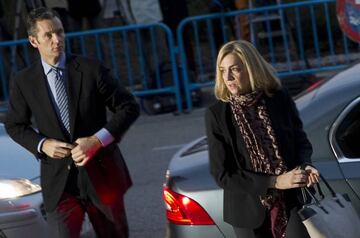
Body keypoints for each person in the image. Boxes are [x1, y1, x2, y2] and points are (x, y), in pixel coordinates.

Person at [5, 7, 139, 238]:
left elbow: (129, 107)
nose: (57, 40)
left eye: (60, 32)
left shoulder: (90, 69)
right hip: (60, 184)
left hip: (101, 176)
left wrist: (97, 140)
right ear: (33, 41)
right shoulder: (23, 81)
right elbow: (15, 125)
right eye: (48, 35)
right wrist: (42, 144)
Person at [205, 40, 320, 238]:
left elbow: (300, 141)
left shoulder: (279, 98)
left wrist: (305, 165)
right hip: (247, 211)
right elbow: (222, 174)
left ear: (251, 68)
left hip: (290, 201)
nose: (228, 77)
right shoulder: (217, 114)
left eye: (235, 69)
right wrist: (275, 181)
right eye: (222, 70)